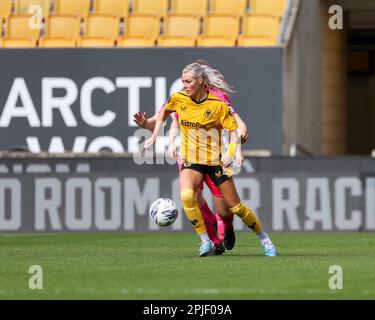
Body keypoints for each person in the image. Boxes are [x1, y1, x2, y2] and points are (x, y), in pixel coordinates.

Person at [144, 62, 277, 257]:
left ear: (200, 81)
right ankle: (206, 241)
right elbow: (163, 113)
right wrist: (155, 134)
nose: (184, 85)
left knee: (234, 209)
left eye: (187, 81)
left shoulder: (218, 104)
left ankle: (264, 239)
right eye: (182, 81)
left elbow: (233, 131)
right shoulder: (178, 98)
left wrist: (232, 152)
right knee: (188, 196)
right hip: (191, 161)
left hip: (215, 163)